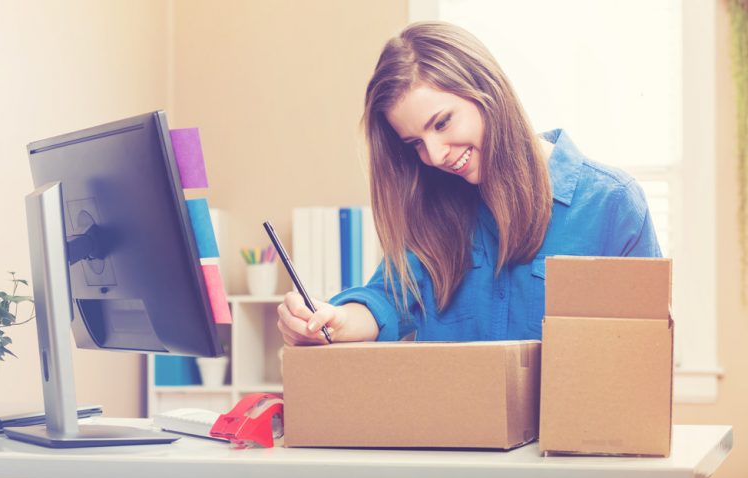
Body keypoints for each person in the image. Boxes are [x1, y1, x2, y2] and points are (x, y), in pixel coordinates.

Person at [276, 21, 661, 346]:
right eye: (415, 144)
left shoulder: (612, 204)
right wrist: (336, 319)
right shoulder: (433, 208)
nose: (436, 155)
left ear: (488, 92)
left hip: (571, 437)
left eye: (442, 123)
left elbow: (642, 354)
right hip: (451, 436)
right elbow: (385, 300)